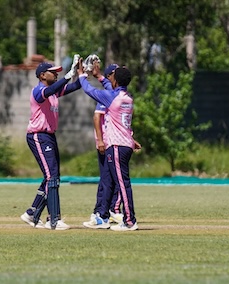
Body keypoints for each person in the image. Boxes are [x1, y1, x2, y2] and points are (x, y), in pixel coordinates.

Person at [78, 58, 141, 231]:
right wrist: (99, 76)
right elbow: (109, 86)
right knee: (120, 183)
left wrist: (82, 75)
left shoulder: (112, 97)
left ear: (115, 80)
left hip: (117, 146)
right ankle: (108, 216)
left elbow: (88, 90)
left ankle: (129, 221)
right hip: (126, 144)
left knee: (122, 185)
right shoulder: (127, 97)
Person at [21, 54, 81, 230]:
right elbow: (48, 92)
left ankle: (32, 213)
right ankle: (54, 220)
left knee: (52, 177)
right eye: (52, 72)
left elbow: (75, 86)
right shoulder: (38, 90)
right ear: (42, 75)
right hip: (38, 136)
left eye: (57, 72)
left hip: (49, 136)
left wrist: (83, 74)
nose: (55, 74)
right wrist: (67, 76)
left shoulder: (54, 91)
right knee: (51, 177)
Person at [85, 58, 124, 225]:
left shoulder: (116, 93)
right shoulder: (108, 96)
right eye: (116, 73)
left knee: (114, 179)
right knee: (107, 179)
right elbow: (96, 117)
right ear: (111, 77)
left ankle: (106, 210)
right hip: (106, 142)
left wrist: (98, 75)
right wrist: (100, 140)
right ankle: (101, 213)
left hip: (115, 140)